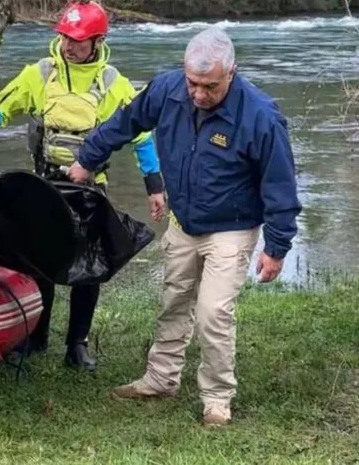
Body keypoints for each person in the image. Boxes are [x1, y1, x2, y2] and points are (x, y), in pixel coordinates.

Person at [67, 28, 301, 427]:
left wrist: (276, 247)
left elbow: (280, 184)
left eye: (209, 86)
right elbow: (125, 123)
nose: (198, 94)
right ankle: (160, 378)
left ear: (232, 74)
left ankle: (217, 397)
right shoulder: (167, 90)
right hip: (183, 221)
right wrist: (88, 159)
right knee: (174, 300)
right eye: (193, 83)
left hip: (233, 226)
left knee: (213, 312)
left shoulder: (260, 116)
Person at [0, 0, 165, 371]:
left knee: (88, 267)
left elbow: (141, 137)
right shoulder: (39, 75)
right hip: (45, 184)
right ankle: (36, 336)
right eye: (64, 37)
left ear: (97, 41)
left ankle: (77, 345)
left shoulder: (114, 84)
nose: (68, 45)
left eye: (78, 40)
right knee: (40, 263)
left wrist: (154, 186)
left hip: (92, 190)